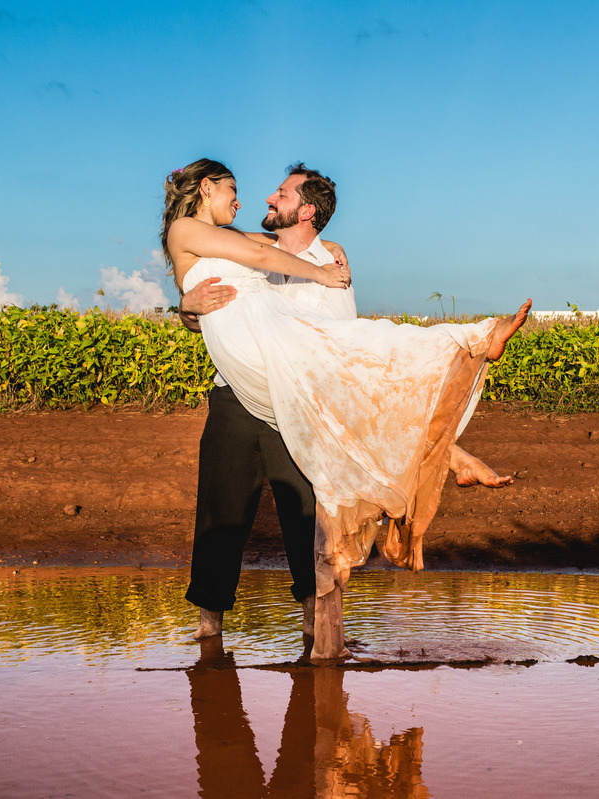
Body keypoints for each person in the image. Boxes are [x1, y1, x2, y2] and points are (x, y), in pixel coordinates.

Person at [164, 158, 530, 658]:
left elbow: (338, 334)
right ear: (206, 189)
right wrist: (186, 305)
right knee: (219, 514)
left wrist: (321, 264)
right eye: (237, 190)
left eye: (281, 195)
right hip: (240, 385)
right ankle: (210, 636)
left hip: (293, 379)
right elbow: (231, 272)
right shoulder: (233, 241)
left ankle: (471, 348)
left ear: (306, 211)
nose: (262, 200)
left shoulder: (318, 264)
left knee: (363, 360)